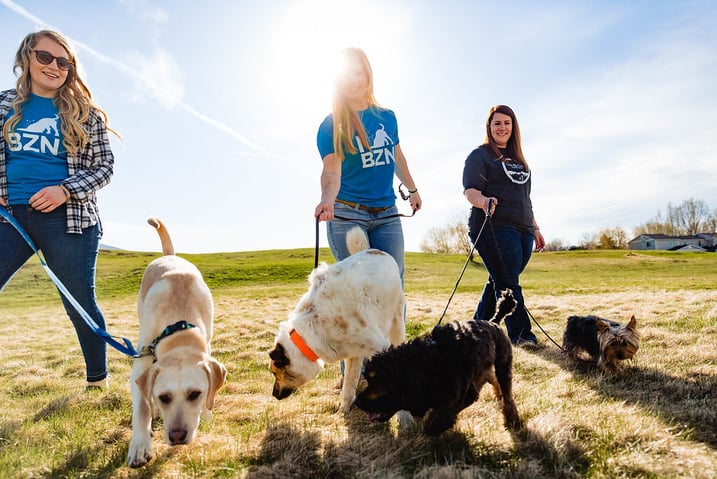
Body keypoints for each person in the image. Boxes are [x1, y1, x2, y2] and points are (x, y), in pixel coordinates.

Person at [0, 30, 118, 390]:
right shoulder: (2, 105)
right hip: (10, 217)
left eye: (63, 62)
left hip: (70, 220)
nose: (54, 66)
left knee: (78, 301)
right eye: (45, 57)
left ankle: (97, 381)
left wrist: (65, 190)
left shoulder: (86, 114)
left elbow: (105, 167)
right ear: (26, 58)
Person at [314, 47, 421, 281]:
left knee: (393, 285)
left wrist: (413, 190)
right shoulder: (331, 125)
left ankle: (395, 322)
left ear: (368, 74)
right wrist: (326, 200)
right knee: (361, 286)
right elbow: (331, 170)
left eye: (357, 73)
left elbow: (397, 159)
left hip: (387, 215)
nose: (352, 81)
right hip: (347, 215)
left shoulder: (387, 117)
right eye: (345, 77)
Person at [462, 104, 545, 347]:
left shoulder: (520, 160)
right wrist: (484, 201)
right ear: (489, 127)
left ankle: (477, 331)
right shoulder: (480, 155)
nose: (502, 127)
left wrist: (536, 227)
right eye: (497, 123)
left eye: (507, 123)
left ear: (513, 127)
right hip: (493, 227)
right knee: (508, 282)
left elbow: (525, 198)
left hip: (523, 228)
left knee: (499, 279)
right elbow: (470, 191)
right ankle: (522, 335)